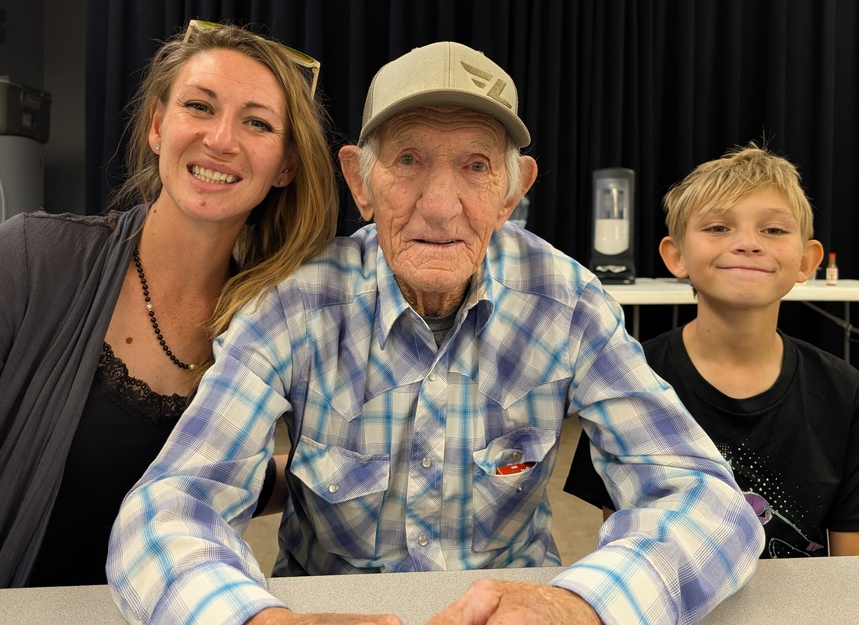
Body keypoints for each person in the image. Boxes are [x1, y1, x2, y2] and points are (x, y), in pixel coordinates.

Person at [108, 41, 763, 624]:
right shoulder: (294, 307)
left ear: (512, 191)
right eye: (409, 159)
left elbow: (706, 500)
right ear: (361, 182)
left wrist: (582, 603)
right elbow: (165, 513)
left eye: (477, 166)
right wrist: (258, 621)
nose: (441, 205)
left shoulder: (565, 302)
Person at [0, 21, 338, 589]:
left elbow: (211, 472)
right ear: (156, 126)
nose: (221, 139)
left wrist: (326, 477)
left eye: (257, 123)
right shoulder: (30, 258)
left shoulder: (274, 321)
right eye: (199, 106)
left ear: (286, 166)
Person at [564, 143, 859, 558]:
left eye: (773, 230)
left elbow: (856, 567)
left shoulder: (844, 392)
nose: (747, 243)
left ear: (806, 261)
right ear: (676, 255)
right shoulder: (629, 380)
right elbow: (623, 540)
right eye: (718, 228)